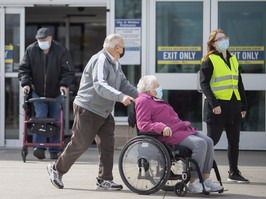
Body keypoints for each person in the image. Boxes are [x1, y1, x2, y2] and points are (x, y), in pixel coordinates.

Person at [46, 33, 138, 190]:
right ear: (117, 47)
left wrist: (141, 96)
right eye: (123, 47)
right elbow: (99, 85)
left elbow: (123, 83)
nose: (123, 50)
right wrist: (120, 97)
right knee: (80, 144)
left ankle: (104, 179)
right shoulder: (101, 59)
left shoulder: (115, 63)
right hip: (88, 108)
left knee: (108, 145)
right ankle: (56, 168)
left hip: (104, 111)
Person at [135, 75, 224, 193]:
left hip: (179, 129)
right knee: (200, 144)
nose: (159, 87)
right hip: (167, 134)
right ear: (149, 89)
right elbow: (143, 124)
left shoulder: (155, 98)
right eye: (157, 86)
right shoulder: (143, 100)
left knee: (209, 141)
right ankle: (194, 181)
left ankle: (205, 180)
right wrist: (161, 127)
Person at [200, 29, 249, 183]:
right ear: (213, 43)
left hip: (233, 106)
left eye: (224, 38)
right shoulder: (209, 60)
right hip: (217, 107)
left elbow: (238, 83)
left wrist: (244, 105)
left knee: (234, 142)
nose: (223, 41)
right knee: (210, 142)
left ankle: (233, 172)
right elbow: (204, 84)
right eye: (219, 39)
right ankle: (199, 170)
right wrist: (214, 104)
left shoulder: (233, 59)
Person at [18, 27, 75, 160]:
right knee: (40, 118)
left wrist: (64, 85)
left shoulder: (60, 50)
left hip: (55, 91)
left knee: (55, 119)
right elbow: (24, 69)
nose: (41, 42)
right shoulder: (31, 50)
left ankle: (54, 149)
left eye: (44, 39)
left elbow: (68, 71)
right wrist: (25, 83)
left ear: (50, 38)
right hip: (38, 91)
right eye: (39, 40)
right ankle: (39, 147)